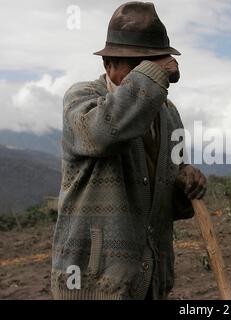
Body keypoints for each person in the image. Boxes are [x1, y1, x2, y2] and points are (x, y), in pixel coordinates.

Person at [51, 1, 207, 300]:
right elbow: (103, 134)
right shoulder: (82, 99)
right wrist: (153, 73)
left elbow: (165, 204)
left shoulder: (168, 115)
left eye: (151, 64)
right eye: (137, 66)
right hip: (94, 283)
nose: (148, 76)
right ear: (108, 64)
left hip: (149, 280)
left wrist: (184, 182)